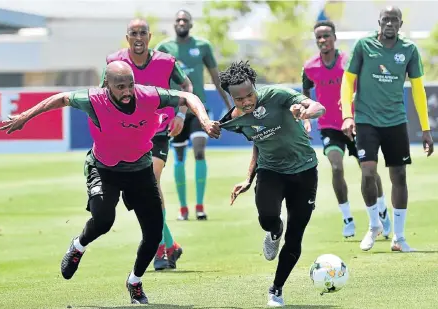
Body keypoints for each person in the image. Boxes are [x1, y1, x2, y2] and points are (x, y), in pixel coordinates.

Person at [0, 61, 220, 304]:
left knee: (154, 233)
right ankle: (78, 246)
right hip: (104, 169)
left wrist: (205, 121)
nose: (127, 91)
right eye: (120, 86)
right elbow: (61, 98)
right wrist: (26, 116)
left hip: (140, 169)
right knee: (104, 220)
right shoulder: (93, 100)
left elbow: (187, 96)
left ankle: (134, 281)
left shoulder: (148, 96)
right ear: (107, 86)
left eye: (130, 85)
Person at [218, 61, 325, 307]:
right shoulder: (234, 120)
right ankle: (275, 231)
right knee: (267, 218)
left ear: (255, 87)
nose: (246, 102)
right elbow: (259, 139)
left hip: (305, 171)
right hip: (271, 171)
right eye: (239, 99)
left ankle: (276, 289)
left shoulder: (277, 95)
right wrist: (248, 178)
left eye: (249, 95)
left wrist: (307, 112)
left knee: (296, 236)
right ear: (231, 98)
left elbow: (317, 106)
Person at [102, 19, 194, 271]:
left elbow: (186, 86)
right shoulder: (114, 63)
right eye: (134, 33)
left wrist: (181, 114)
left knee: (151, 180)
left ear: (149, 37)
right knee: (143, 191)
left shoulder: (166, 62)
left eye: (143, 33)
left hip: (158, 131)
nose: (138, 37)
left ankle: (160, 247)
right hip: (129, 135)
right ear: (127, 37)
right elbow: (102, 93)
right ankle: (169, 244)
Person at [341, 6, 434, 252]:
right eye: (386, 20)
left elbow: (418, 89)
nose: (389, 24)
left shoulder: (409, 50)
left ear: (401, 24)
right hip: (366, 120)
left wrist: (426, 128)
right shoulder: (363, 45)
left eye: (394, 20)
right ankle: (374, 225)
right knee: (368, 172)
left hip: (395, 121)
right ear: (379, 22)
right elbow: (348, 80)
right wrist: (347, 115)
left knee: (399, 176)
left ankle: (399, 238)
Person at [302, 20, 390, 239]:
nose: (323, 40)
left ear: (335, 37)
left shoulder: (349, 61)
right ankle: (347, 218)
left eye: (327, 36)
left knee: (368, 171)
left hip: (356, 122)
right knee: (336, 167)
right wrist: (306, 116)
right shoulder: (310, 67)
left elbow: (366, 87)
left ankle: (382, 212)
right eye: (319, 37)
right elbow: (305, 94)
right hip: (329, 127)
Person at [155, 9, 232, 221]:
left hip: (199, 109)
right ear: (174, 24)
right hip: (174, 111)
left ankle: (199, 206)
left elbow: (217, 79)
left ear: (190, 24)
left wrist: (230, 106)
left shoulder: (203, 46)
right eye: (178, 19)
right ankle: (183, 209)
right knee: (178, 157)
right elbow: (153, 77)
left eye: (185, 20)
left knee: (199, 151)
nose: (181, 22)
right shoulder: (164, 48)